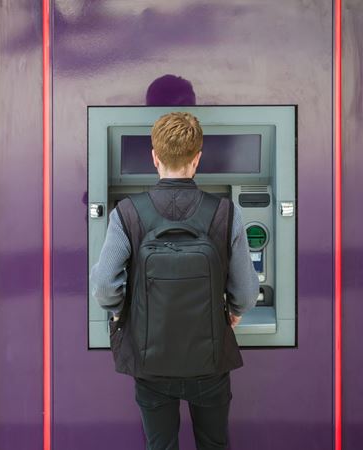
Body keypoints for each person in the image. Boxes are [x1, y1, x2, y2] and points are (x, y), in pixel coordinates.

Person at [90, 112, 259, 450]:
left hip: (151, 362)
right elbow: (246, 290)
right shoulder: (226, 212)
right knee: (214, 443)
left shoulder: (127, 213)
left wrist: (119, 312)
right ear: (197, 158)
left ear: (155, 157)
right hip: (208, 360)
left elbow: (105, 285)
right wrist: (236, 311)